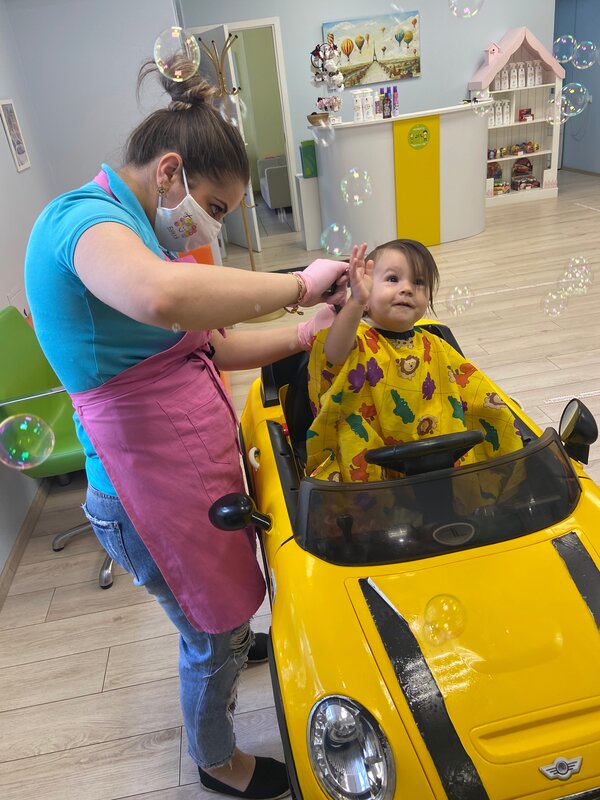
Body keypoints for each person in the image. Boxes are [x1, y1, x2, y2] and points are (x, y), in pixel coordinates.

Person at [24, 59, 348, 800]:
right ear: (170, 172)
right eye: (215, 206)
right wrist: (299, 285)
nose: (214, 225)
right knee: (207, 635)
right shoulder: (82, 223)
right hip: (143, 494)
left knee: (217, 614)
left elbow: (212, 344)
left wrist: (307, 331)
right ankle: (216, 760)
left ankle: (228, 634)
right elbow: (164, 299)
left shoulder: (147, 236)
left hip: (181, 474)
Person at [306, 239, 523, 483]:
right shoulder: (356, 340)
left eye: (419, 282)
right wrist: (355, 302)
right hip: (369, 466)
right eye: (392, 279)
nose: (407, 288)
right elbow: (334, 354)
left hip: (438, 460)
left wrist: (501, 411)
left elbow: (474, 393)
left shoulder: (435, 346)